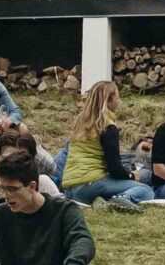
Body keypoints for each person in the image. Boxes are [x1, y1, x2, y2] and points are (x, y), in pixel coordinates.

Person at [59, 80, 155, 211]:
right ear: (108, 101)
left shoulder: (80, 123)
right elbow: (114, 168)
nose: (119, 100)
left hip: (70, 189)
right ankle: (123, 198)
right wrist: (132, 176)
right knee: (146, 190)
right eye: (117, 96)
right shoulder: (108, 126)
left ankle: (102, 200)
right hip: (90, 183)